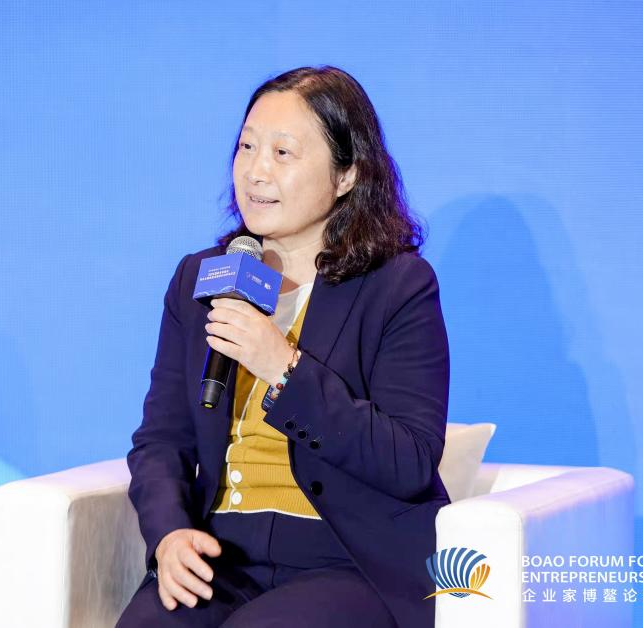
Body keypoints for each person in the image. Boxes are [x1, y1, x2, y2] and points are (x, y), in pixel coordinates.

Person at [117, 65, 450, 628]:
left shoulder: (398, 286)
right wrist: (169, 534)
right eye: (247, 147)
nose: (255, 171)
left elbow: (410, 461)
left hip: (347, 560)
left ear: (347, 174)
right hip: (222, 554)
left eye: (282, 153)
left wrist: (284, 367)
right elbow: (162, 439)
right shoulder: (202, 277)